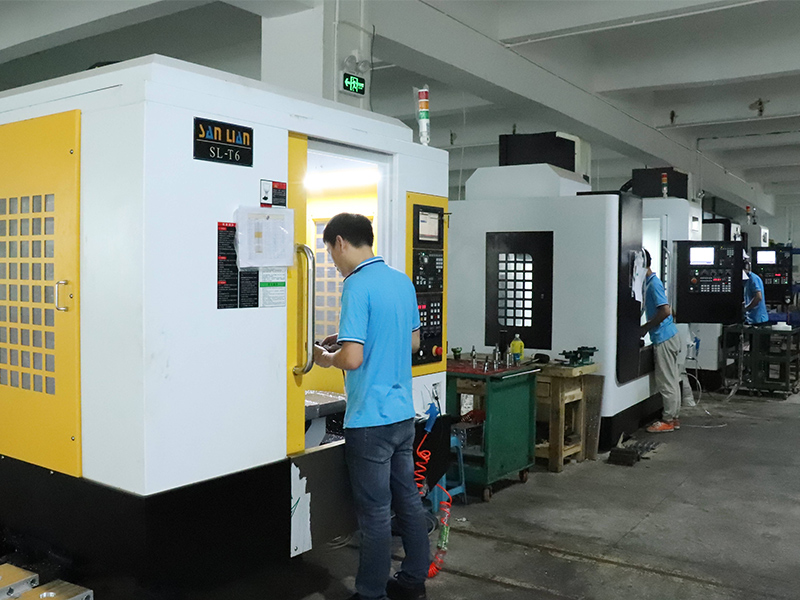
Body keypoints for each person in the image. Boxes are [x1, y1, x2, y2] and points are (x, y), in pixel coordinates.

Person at [312, 213, 430, 600]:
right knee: (408, 501)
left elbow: (352, 359)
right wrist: (348, 337)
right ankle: (413, 582)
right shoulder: (401, 281)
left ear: (340, 242)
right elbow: (413, 343)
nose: (333, 261)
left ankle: (370, 593)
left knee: (376, 513)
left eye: (330, 253)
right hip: (402, 415)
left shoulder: (356, 285)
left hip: (369, 422)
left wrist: (324, 357)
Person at [641, 249, 682, 433]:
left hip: (664, 338)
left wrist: (646, 327)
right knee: (672, 379)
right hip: (669, 335)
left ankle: (667, 420)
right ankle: (674, 418)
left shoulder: (653, 284)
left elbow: (665, 310)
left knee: (665, 382)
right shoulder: (651, 283)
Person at [743, 253, 769, 325]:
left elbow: (758, 297)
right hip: (751, 319)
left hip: (758, 320)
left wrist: (746, 308)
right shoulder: (746, 279)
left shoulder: (753, 279)